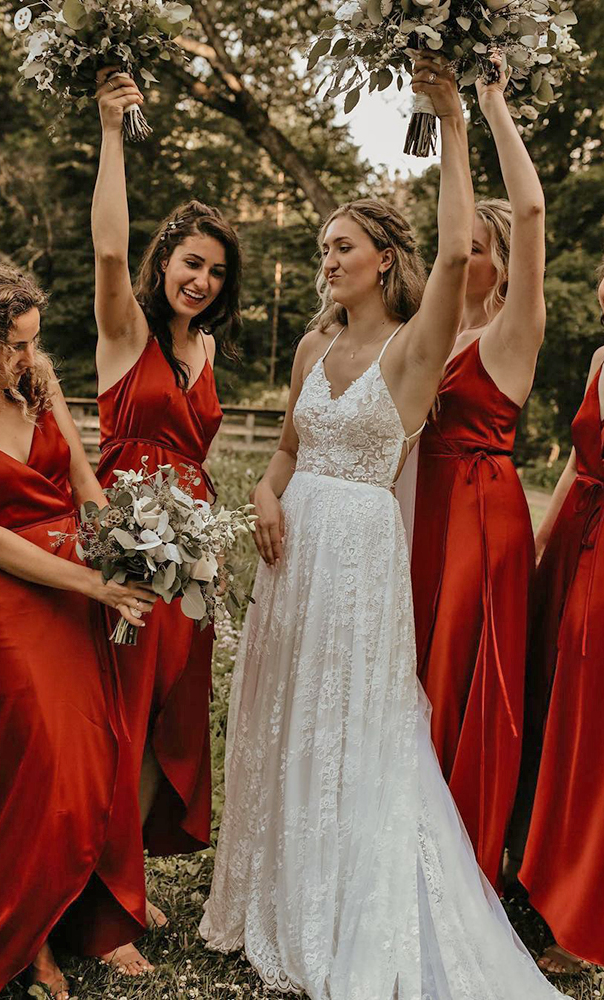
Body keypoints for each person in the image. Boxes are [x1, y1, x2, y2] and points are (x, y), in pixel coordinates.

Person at [199, 60, 562, 1000]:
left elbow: (456, 250)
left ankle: (342, 899)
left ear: (383, 259)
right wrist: (265, 497)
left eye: (342, 246)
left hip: (361, 554)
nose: (327, 259)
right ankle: (269, 888)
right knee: (281, 715)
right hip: (293, 554)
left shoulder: (414, 353)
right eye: (322, 246)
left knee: (348, 724)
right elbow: (282, 451)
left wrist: (451, 115)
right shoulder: (312, 345)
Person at [0, 261, 157, 999]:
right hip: (12, 602)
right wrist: (93, 581)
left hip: (83, 586)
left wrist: (131, 552)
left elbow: (86, 484)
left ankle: (88, 914)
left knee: (97, 755)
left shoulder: (37, 381)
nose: (27, 359)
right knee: (42, 769)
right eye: (14, 345)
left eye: (33, 342)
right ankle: (23, 940)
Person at [91, 70, 241, 925]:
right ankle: (101, 899)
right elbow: (109, 250)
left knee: (165, 716)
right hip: (127, 538)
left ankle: (128, 878)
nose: (203, 281)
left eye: (217, 272)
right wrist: (113, 131)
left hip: (195, 554)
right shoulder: (125, 331)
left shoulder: (210, 344)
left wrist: (209, 547)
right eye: (192, 263)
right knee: (118, 709)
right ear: (166, 258)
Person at [407, 57, 545, 890]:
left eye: (477, 247)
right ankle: (410, 843)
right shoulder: (425, 338)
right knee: (418, 676)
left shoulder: (509, 337)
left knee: (465, 677)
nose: (460, 252)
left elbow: (527, 209)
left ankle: (462, 868)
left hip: (479, 517)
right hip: (420, 518)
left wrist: (485, 103)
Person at [517, 268, 604, 976]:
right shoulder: (600, 358)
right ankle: (542, 877)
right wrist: (539, 548)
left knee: (591, 727)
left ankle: (581, 921)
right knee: (551, 709)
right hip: (573, 539)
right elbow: (579, 464)